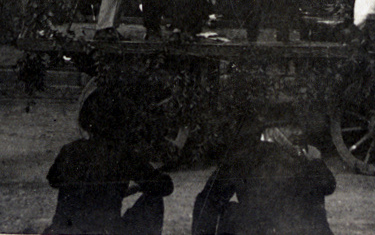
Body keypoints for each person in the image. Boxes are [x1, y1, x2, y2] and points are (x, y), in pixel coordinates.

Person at [43, 88, 174, 235]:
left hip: (63, 231)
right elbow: (166, 186)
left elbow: (53, 180)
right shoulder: (124, 154)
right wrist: (139, 185)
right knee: (154, 200)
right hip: (104, 231)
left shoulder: (70, 149)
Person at [192, 120, 336, 235]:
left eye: (299, 126)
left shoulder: (303, 156)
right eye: (291, 126)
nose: (299, 132)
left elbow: (207, 200)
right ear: (271, 130)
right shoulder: (247, 157)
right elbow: (208, 200)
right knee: (232, 212)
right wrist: (315, 162)